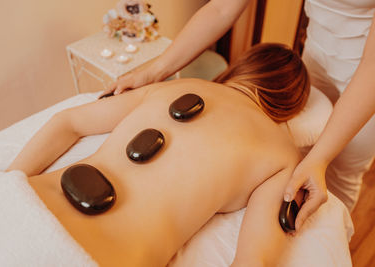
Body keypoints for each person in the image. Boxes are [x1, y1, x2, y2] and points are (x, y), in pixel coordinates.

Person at [8, 43, 309, 266]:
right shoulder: (281, 154)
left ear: (240, 69)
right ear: (291, 107)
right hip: (103, 256)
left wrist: (5, 182)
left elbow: (67, 122)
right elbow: (254, 263)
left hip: (22, 204)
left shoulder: (177, 86)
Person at [101, 0, 375, 231]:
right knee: (302, 167)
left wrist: (321, 158)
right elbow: (222, 7)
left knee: (342, 174)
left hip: (368, 82)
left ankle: (335, 241)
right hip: (316, 58)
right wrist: (153, 71)